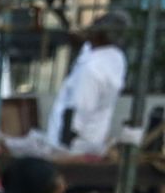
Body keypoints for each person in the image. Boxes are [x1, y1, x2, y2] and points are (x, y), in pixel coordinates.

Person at [7, 11, 129, 158]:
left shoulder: (92, 71)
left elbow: (76, 114)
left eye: (95, 28)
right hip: (91, 141)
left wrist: (62, 150)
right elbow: (83, 44)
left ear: (101, 35)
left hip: (72, 147)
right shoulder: (115, 58)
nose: (90, 30)